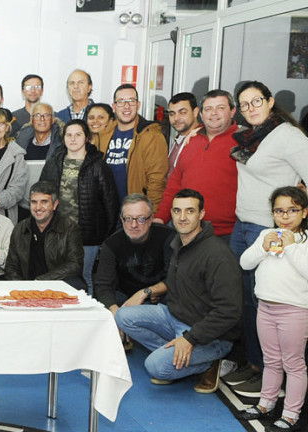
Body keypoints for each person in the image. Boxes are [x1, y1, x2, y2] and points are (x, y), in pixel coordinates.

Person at [115, 189, 242, 393]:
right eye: (177, 211)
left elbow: (229, 311)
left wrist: (190, 338)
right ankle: (177, 353)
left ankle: (208, 362)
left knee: (155, 367)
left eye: (189, 211)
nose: (182, 217)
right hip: (175, 318)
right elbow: (173, 285)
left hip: (211, 335)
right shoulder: (179, 244)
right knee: (123, 315)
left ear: (201, 214)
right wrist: (146, 292)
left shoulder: (218, 255)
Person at [226, 81, 308, 398]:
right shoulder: (250, 137)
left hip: (270, 232)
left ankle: (272, 375)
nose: (251, 108)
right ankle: (256, 364)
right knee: (247, 301)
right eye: (244, 104)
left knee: (265, 304)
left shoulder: (288, 136)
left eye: (256, 101)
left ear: (270, 101)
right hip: (243, 226)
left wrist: (294, 223)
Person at [236, 187, 308, 431]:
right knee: (271, 361)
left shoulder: (304, 240)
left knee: (293, 364)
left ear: (304, 211)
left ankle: (290, 413)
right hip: (265, 308)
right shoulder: (267, 234)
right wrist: (263, 247)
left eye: (292, 210)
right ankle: (266, 403)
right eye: (279, 210)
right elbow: (245, 262)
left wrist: (290, 246)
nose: (285, 216)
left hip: (295, 311)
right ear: (272, 213)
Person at [39, 120, 119, 290]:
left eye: (78, 135)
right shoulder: (54, 162)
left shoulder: (97, 165)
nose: (73, 139)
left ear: (87, 138)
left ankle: (88, 314)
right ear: (63, 138)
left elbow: (110, 203)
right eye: (69, 135)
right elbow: (41, 195)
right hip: (58, 232)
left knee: (84, 276)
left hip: (88, 235)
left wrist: (105, 236)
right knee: (56, 276)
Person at [152, 90, 239, 241]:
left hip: (227, 234)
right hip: (187, 230)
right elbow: (174, 185)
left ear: (232, 111)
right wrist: (161, 217)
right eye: (208, 109)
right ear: (201, 114)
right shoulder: (190, 141)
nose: (214, 113)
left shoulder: (243, 142)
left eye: (220, 108)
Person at [93, 194, 174, 316]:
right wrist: (116, 314)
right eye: (128, 219)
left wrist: (147, 292)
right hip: (126, 299)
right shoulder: (111, 244)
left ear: (151, 219)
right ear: (121, 219)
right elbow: (103, 284)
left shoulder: (168, 237)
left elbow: (175, 278)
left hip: (161, 297)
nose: (133, 225)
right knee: (106, 302)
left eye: (141, 219)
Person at [96, 84, 168, 212]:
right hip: (107, 212)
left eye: (131, 101)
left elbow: (157, 180)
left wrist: (152, 213)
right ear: (114, 107)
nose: (126, 106)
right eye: (121, 102)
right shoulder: (102, 136)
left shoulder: (151, 136)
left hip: (137, 213)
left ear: (138, 105)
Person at [4, 181, 85, 288]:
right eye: (34, 202)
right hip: (27, 286)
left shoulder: (70, 228)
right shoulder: (20, 228)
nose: (38, 207)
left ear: (55, 204)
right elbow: (11, 266)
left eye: (44, 202)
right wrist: (22, 287)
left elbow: (75, 265)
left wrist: (41, 281)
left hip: (58, 284)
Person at [165, 92, 202, 177]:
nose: (176, 118)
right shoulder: (178, 139)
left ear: (195, 112)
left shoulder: (202, 141)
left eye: (183, 112)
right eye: (172, 114)